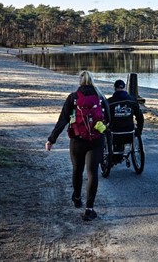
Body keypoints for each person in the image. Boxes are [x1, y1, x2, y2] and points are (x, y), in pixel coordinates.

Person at [46, 70, 111, 221]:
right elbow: (108, 119)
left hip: (77, 140)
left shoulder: (73, 98)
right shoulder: (100, 97)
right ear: (92, 80)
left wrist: (51, 139)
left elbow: (62, 120)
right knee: (92, 172)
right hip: (96, 140)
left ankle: (76, 198)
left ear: (79, 82)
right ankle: (89, 209)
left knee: (77, 169)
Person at [107, 79, 145, 160]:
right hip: (129, 132)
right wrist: (139, 130)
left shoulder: (110, 102)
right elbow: (140, 117)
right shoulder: (132, 100)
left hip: (114, 133)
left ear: (115, 88)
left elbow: (105, 117)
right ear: (124, 88)